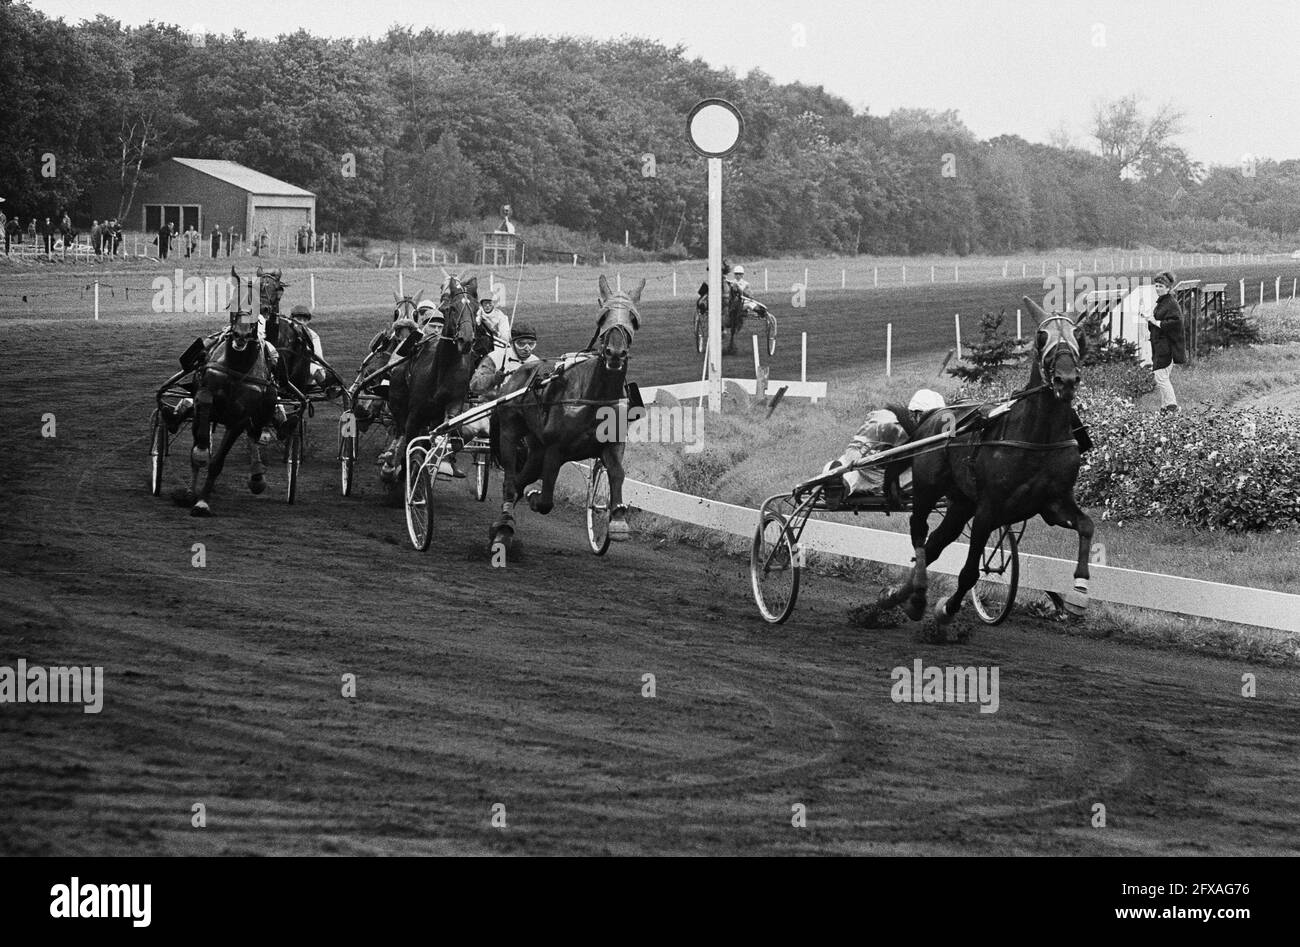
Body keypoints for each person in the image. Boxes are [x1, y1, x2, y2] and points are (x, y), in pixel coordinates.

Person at [823, 389, 947, 499]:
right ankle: (837, 486)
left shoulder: (934, 427)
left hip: (889, 473)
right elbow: (854, 451)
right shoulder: (885, 421)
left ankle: (840, 486)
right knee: (845, 472)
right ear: (915, 414)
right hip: (865, 467)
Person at [1147, 270, 1185, 414]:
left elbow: (1176, 323)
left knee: (1161, 377)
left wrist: (1155, 322)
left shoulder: (1170, 303)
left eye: (1161, 286)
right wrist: (1151, 320)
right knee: (1162, 377)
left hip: (1167, 347)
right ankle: (1164, 408)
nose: (1157, 288)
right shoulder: (1163, 302)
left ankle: (1172, 407)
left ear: (1168, 288)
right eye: (1156, 286)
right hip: (1161, 346)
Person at [288, 303, 329, 390]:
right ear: (291, 319)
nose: (301, 322)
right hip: (286, 366)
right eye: (298, 319)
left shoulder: (313, 335)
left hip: (305, 367)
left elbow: (318, 358)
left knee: (316, 369)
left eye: (304, 320)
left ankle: (328, 389)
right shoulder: (285, 332)